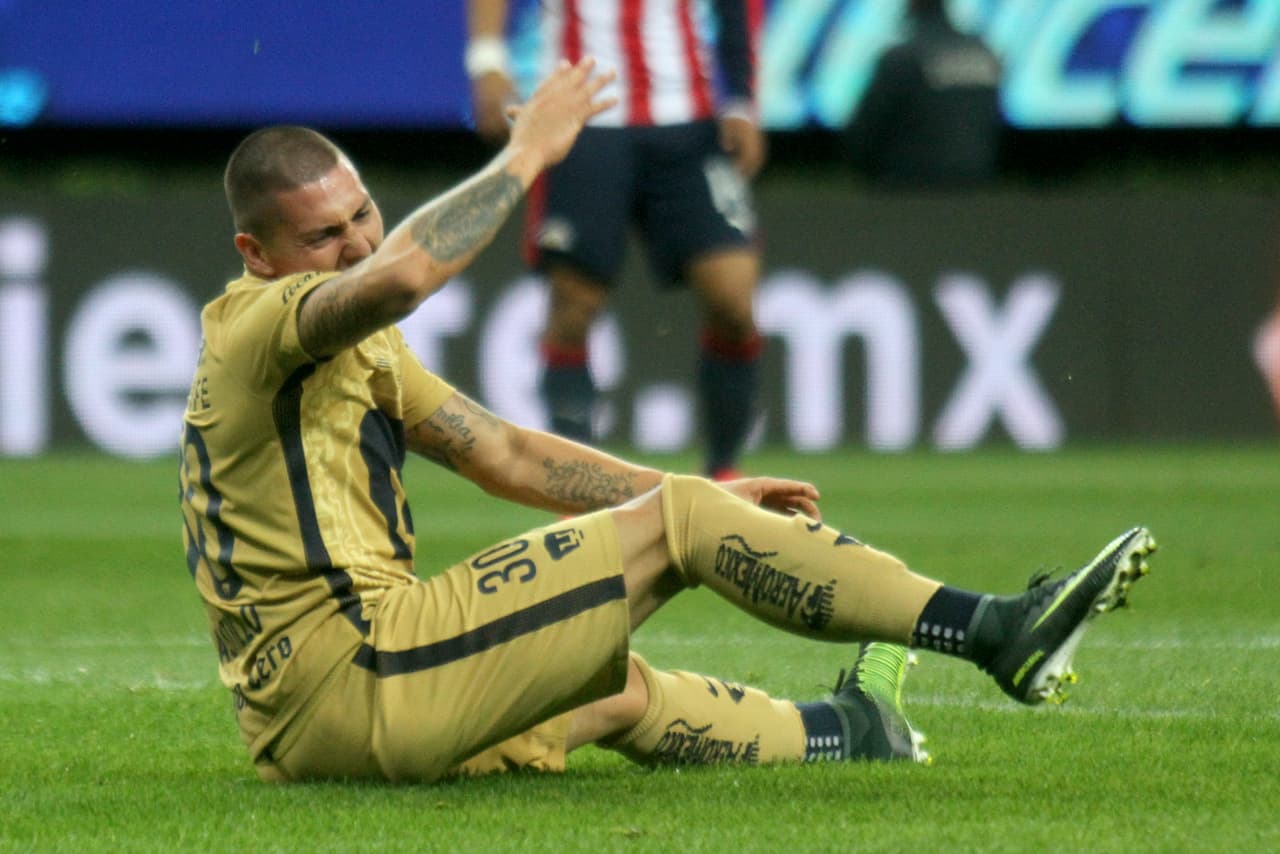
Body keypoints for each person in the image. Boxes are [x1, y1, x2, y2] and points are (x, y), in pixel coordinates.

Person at [179, 59, 1156, 784]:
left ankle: (849, 728)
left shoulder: (341, 344)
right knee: (677, 523)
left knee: (610, 688)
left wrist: (701, 501)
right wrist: (530, 151)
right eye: (322, 234)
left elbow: (509, 453)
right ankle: (994, 630)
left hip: (316, 725)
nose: (353, 241)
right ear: (254, 255)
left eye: (360, 213)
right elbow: (398, 275)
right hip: (361, 668)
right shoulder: (260, 324)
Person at [465, 0, 766, 481]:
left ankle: (724, 474)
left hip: (688, 120)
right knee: (573, 307)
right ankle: (577, 485)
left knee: (734, 297)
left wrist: (743, 100)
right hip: (585, 123)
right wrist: (487, 61)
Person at [842, 0, 1003, 187]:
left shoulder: (902, 59)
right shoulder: (984, 53)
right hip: (978, 184)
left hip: (909, 188)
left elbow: (864, 133)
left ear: (912, 6)